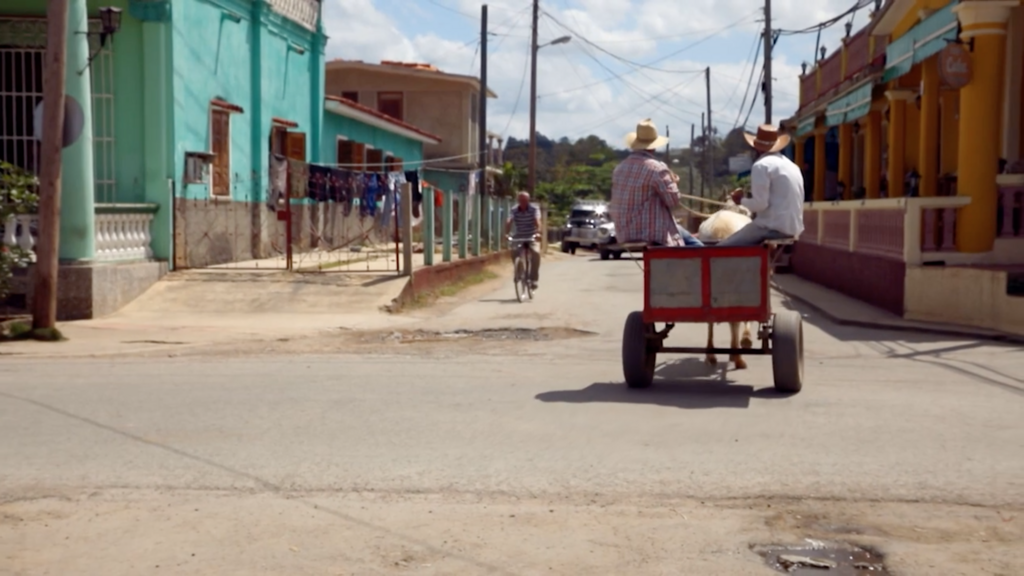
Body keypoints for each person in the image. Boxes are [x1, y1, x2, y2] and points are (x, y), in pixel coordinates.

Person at [610, 119, 703, 247]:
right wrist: (674, 183)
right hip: (652, 232)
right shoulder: (657, 169)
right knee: (698, 246)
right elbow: (673, 201)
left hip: (625, 233)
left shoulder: (619, 168)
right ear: (653, 146)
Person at [717, 124, 805, 247]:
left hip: (771, 227)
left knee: (721, 249)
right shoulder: (792, 166)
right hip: (794, 228)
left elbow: (760, 205)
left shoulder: (761, 165)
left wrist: (740, 200)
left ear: (757, 148)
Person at [505, 191, 542, 290]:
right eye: (521, 200)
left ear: (528, 201)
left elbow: (537, 220)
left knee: (536, 253)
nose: (523, 203)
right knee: (514, 252)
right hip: (519, 235)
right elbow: (509, 220)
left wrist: (538, 232)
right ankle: (519, 271)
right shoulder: (514, 209)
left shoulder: (534, 209)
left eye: (525, 201)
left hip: (531, 235)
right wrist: (506, 233)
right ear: (518, 201)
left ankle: (534, 279)